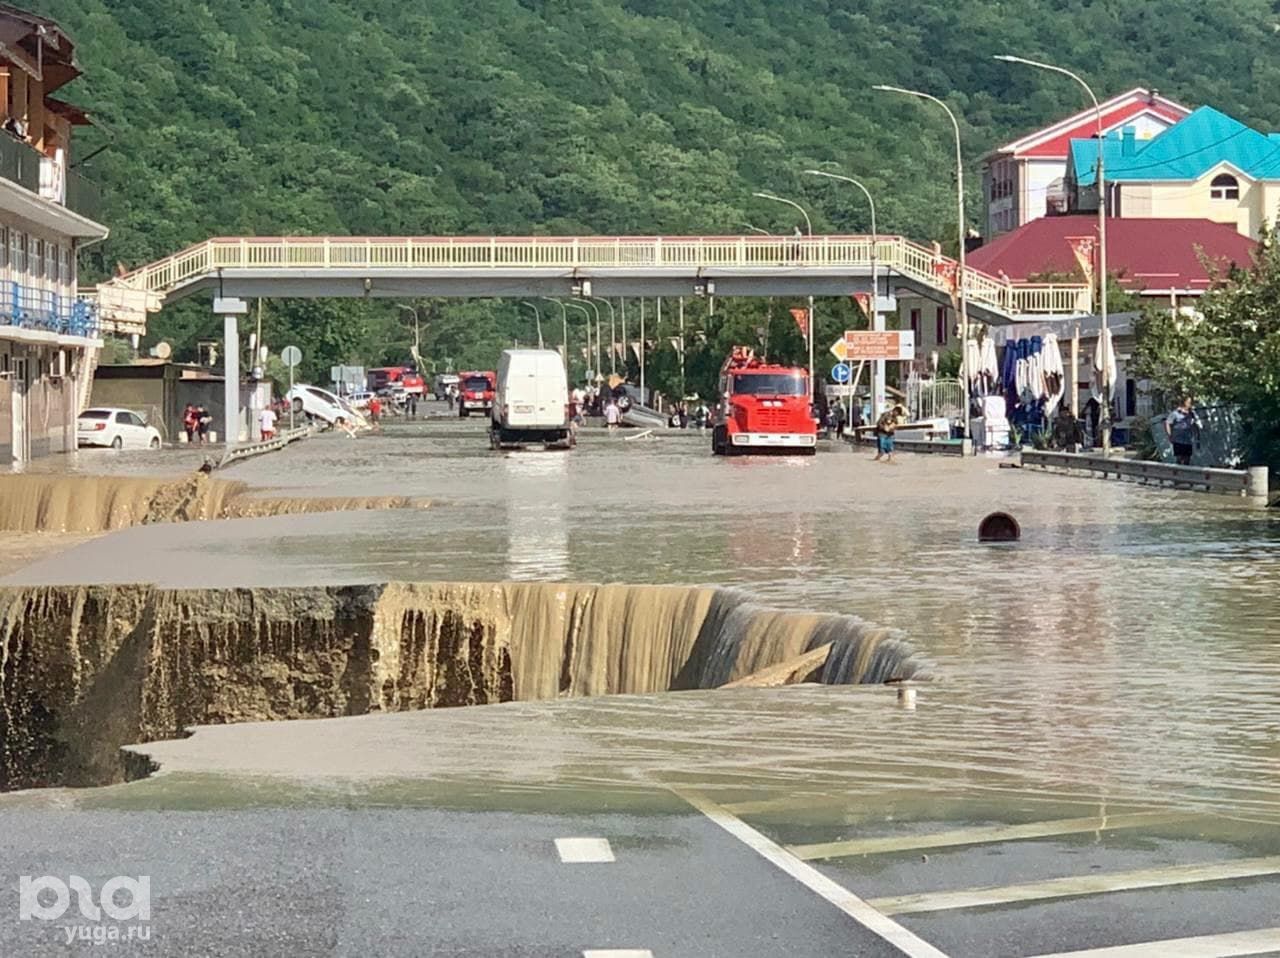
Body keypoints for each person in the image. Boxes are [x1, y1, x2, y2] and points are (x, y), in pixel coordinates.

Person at [1164, 396, 1200, 466]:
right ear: (1184, 403)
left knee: (1187, 459)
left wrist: (1197, 435)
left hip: (1188, 439)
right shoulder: (1175, 413)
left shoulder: (1191, 413)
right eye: (1189, 402)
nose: (1190, 404)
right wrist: (1170, 435)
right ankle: (1178, 475)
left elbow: (1194, 424)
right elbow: (1167, 423)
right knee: (1179, 458)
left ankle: (1185, 475)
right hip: (1178, 439)